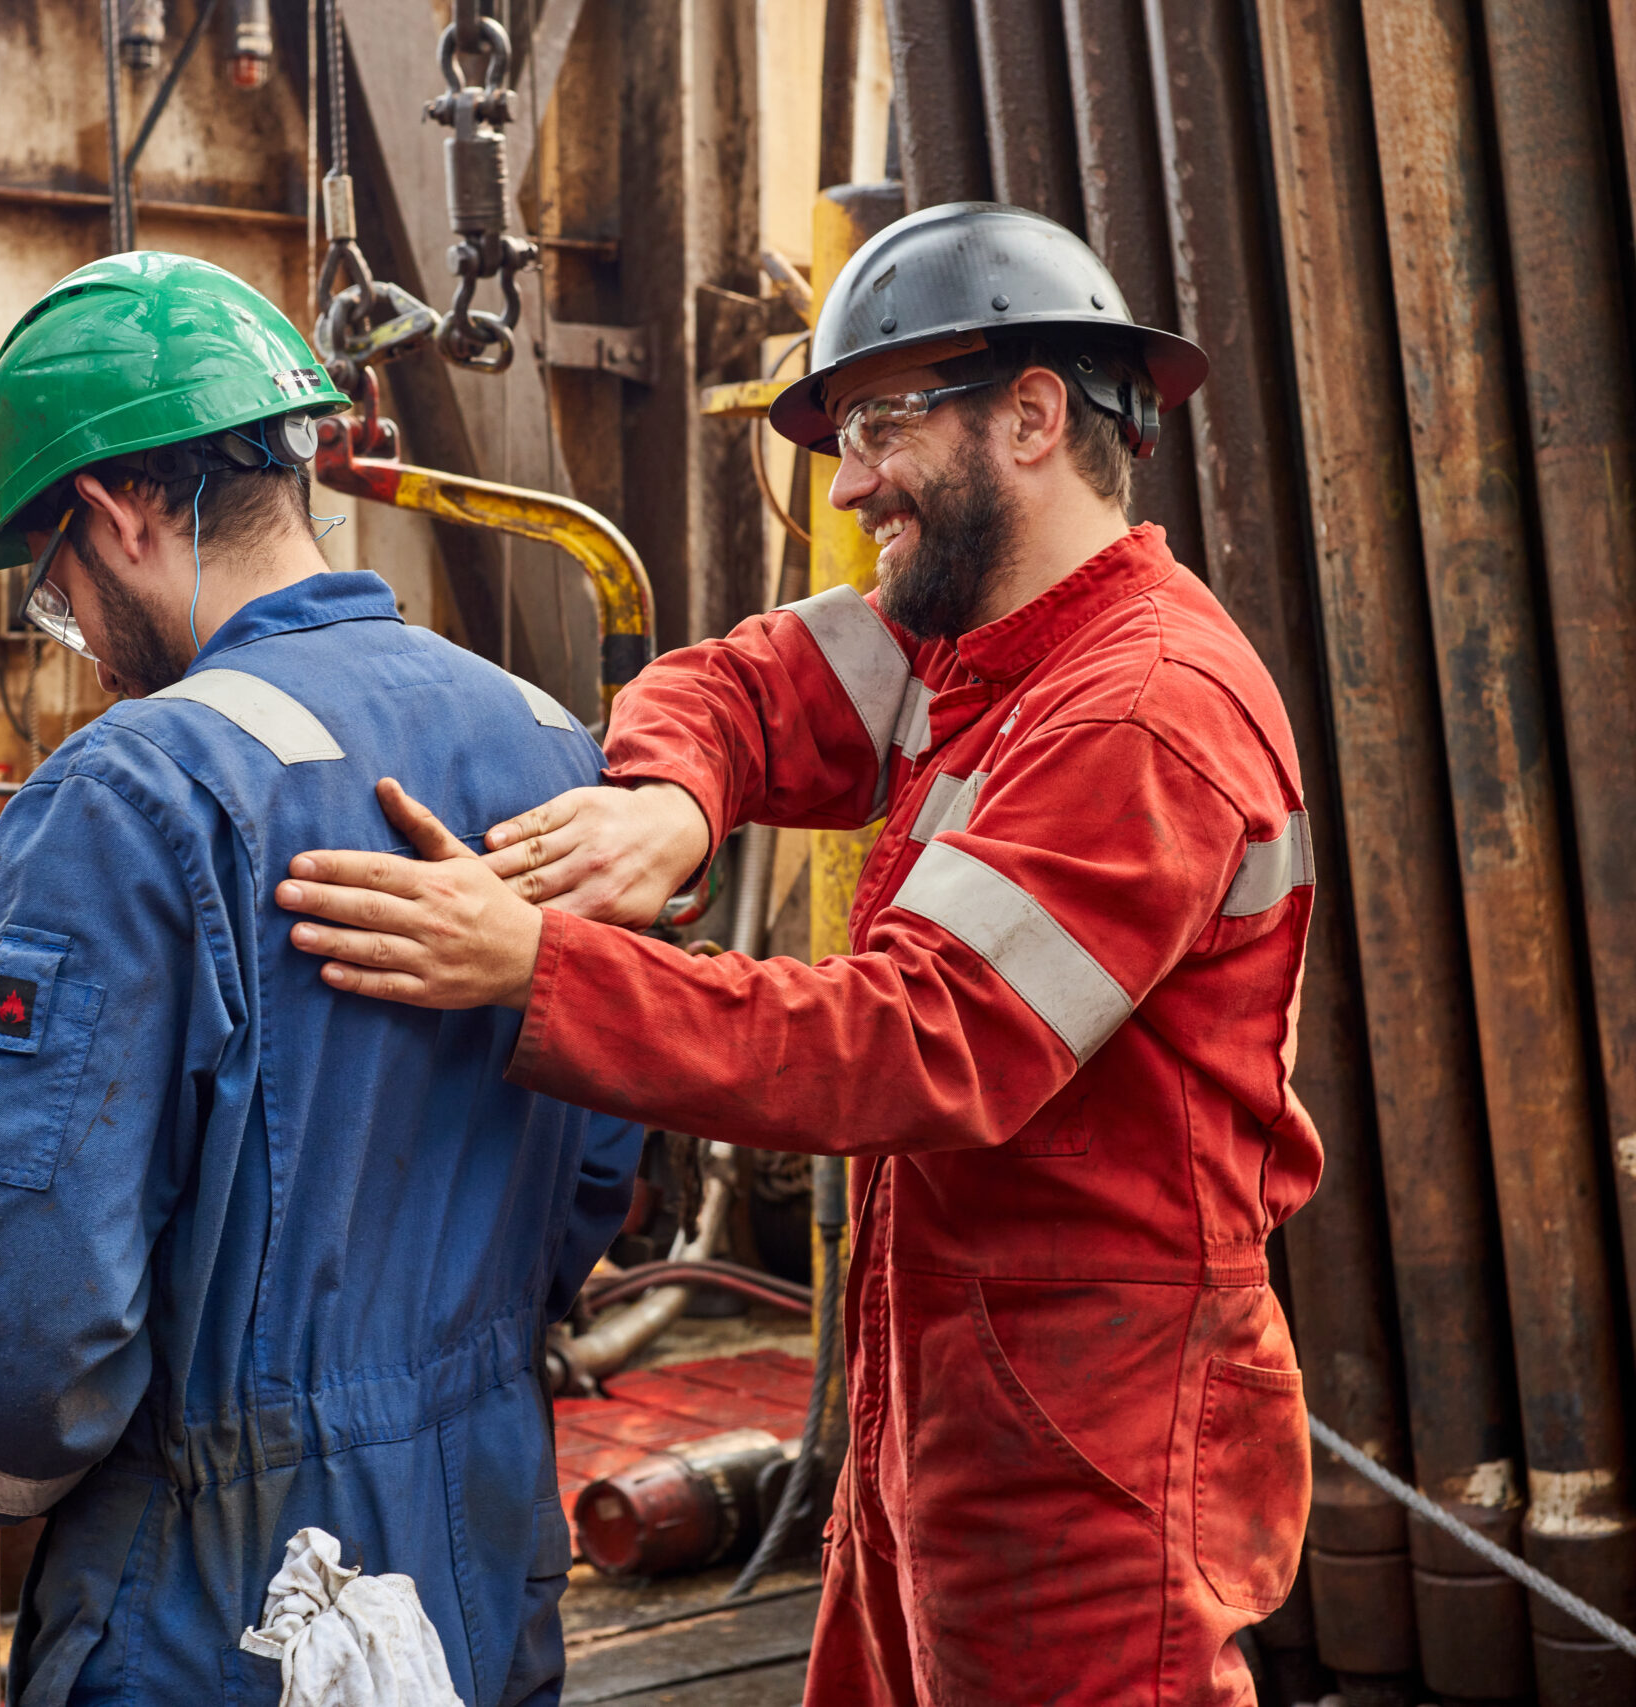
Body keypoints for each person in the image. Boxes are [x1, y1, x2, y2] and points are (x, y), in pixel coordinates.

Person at [275, 204, 1318, 1704]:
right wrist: (672, 806)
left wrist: (534, 968)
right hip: (955, 1374)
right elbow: (739, 687)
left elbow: (911, 1044)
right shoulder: (964, 640)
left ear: (1031, 415)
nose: (856, 481)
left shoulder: (1142, 711)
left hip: (1097, 1413)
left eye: (884, 425)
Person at [0, 253, 643, 1707]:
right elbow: (599, 1165)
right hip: (488, 1551)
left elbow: (21, 1310)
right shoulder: (553, 742)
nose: (88, 646)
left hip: (222, 1594)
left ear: (118, 512)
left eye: (61, 594)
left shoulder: (132, 793)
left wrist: (5, 1473)